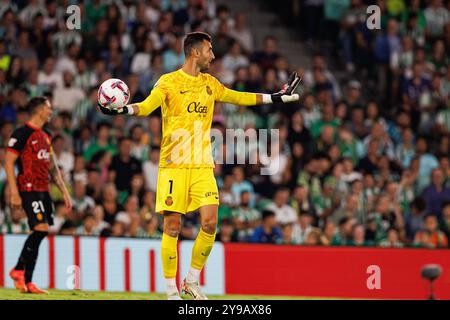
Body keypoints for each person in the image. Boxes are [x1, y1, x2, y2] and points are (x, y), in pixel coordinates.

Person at [98, 32, 300, 300]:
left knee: (209, 223)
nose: (213, 56)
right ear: (195, 52)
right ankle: (170, 290)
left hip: (202, 165)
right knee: (172, 227)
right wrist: (122, 111)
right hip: (174, 166)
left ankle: (191, 281)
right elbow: (146, 107)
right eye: (209, 50)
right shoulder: (168, 82)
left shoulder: (210, 83)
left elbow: (239, 97)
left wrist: (274, 97)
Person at [4, 96, 72, 294]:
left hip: (43, 190)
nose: (51, 111)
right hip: (27, 188)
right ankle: (18, 270)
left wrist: (64, 192)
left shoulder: (46, 135)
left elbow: (52, 168)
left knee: (39, 232)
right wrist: (14, 193)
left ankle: (27, 281)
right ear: (40, 110)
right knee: (41, 229)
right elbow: (8, 163)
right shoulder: (22, 133)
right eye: (49, 108)